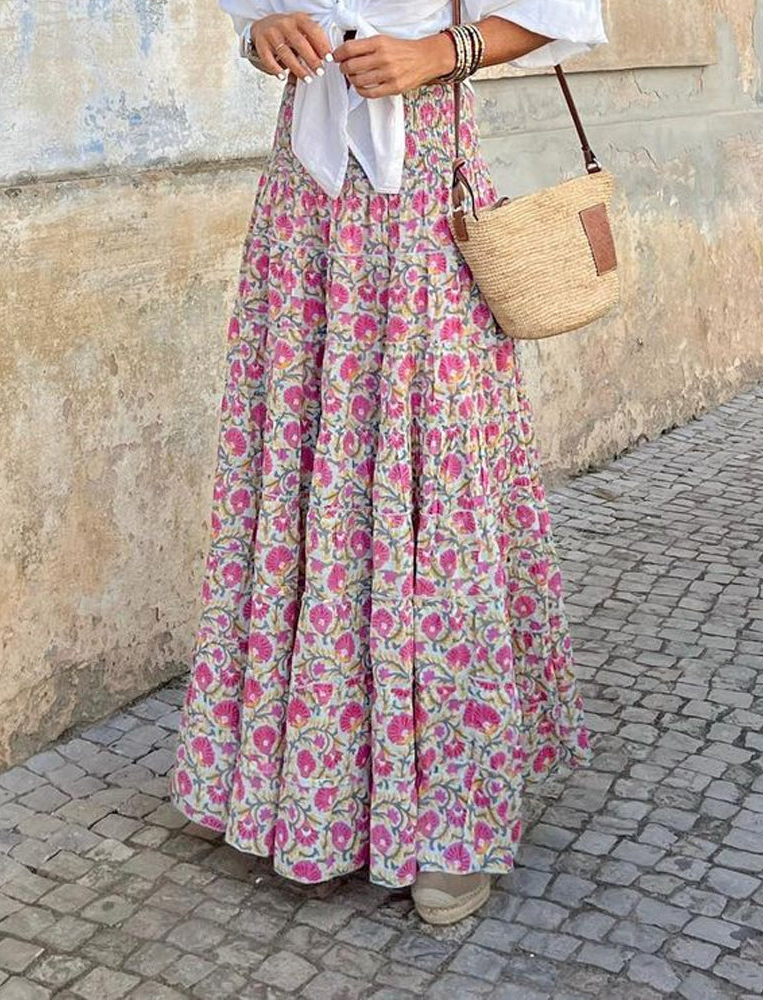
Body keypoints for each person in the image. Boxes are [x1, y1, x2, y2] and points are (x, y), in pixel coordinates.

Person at [170, 0, 607, 926]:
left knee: (436, 490)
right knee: (294, 478)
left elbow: (566, 12)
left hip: (426, 208)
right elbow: (254, 23)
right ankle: (289, 780)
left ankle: (452, 816)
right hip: (303, 214)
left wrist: (438, 53)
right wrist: (261, 40)